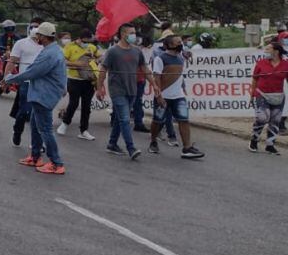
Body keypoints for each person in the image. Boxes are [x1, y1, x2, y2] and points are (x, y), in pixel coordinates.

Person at [6, 23, 67, 175]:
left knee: (45, 129)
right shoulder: (53, 50)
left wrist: (9, 79)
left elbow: (32, 72)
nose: (36, 38)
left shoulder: (49, 54)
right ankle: (35, 157)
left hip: (44, 95)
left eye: (39, 35)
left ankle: (56, 163)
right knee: (35, 124)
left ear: (44, 37)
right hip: (42, 93)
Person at [97, 23, 156, 160]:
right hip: (117, 90)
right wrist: (99, 88)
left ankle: (112, 144)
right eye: (131, 33)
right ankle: (131, 148)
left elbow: (145, 69)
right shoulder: (112, 51)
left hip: (132, 90)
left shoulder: (137, 51)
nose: (134, 36)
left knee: (119, 119)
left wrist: (154, 84)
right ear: (123, 34)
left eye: (134, 32)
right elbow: (103, 70)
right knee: (125, 119)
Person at [148, 35, 204, 158]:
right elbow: (156, 77)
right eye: (178, 42)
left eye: (181, 42)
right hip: (163, 96)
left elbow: (181, 74)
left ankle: (187, 148)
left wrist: (183, 87)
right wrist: (159, 96)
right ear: (169, 45)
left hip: (178, 96)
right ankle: (153, 141)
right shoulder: (160, 59)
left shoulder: (180, 58)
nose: (181, 44)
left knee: (184, 120)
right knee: (158, 121)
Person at [5, 20, 43, 146]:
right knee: (24, 111)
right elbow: (12, 61)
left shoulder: (46, 45)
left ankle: (37, 142)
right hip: (25, 83)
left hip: (42, 84)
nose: (35, 29)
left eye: (38, 27)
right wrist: (6, 78)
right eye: (33, 27)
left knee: (37, 113)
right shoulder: (21, 43)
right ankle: (17, 130)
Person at [57, 29, 99, 141]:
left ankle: (84, 130)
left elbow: (99, 57)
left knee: (87, 106)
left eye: (89, 41)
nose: (87, 43)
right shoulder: (69, 47)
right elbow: (63, 61)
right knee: (73, 103)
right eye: (85, 41)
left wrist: (95, 60)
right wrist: (77, 64)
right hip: (74, 79)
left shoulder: (92, 47)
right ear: (80, 39)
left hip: (88, 80)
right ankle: (65, 124)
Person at [250, 42, 287, 154]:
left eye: (268, 49)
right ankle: (254, 141)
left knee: (275, 121)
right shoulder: (261, 63)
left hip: (278, 96)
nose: (265, 51)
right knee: (262, 118)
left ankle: (270, 145)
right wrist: (252, 94)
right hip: (262, 94)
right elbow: (255, 79)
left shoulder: (286, 65)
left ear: (276, 51)